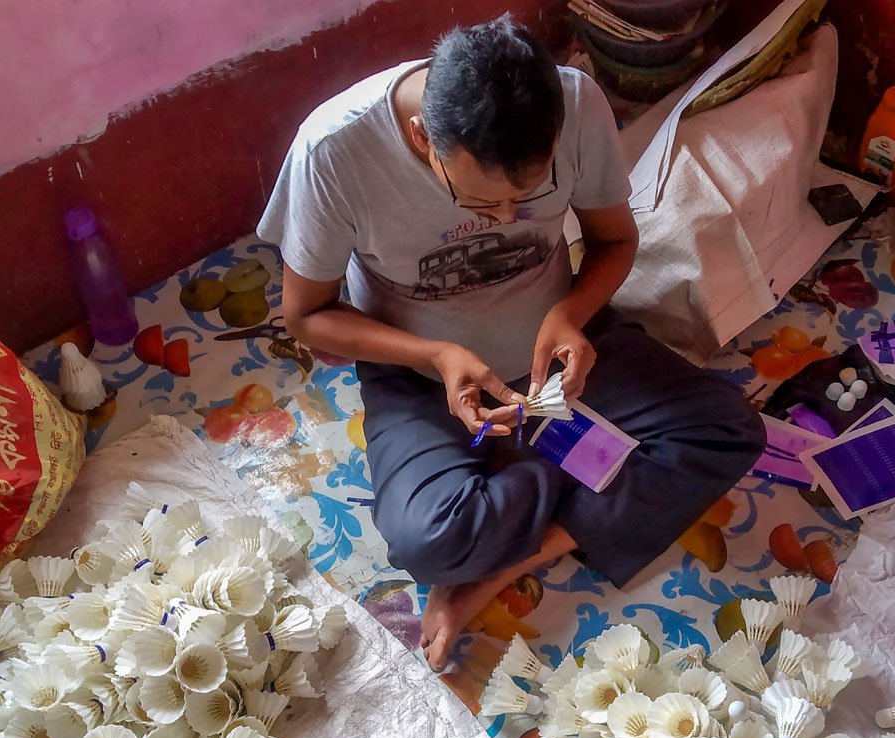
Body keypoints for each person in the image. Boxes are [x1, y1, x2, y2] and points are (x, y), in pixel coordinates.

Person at [258, 16, 763, 671]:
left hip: (554, 352)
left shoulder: (576, 102)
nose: (503, 220)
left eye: (526, 200)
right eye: (478, 200)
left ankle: (506, 561)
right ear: (421, 138)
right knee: (428, 541)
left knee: (728, 429)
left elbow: (615, 241)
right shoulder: (334, 151)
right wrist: (434, 356)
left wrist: (572, 313)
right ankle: (571, 464)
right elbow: (307, 316)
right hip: (419, 374)